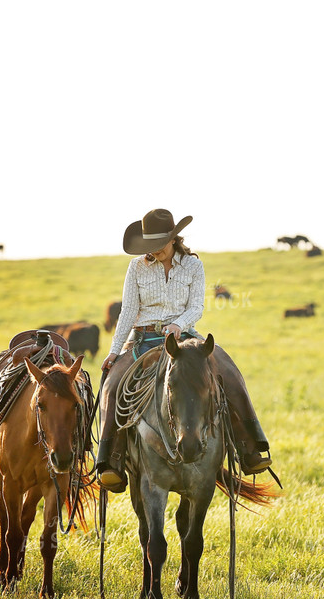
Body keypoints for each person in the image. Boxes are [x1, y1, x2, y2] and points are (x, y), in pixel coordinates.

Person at [96, 208, 273, 492]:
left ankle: (250, 447)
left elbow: (196, 307)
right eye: (149, 246)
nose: (154, 251)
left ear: (173, 238)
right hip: (142, 338)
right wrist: (115, 350)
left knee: (229, 372)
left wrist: (178, 325)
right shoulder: (137, 267)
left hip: (184, 337)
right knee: (113, 384)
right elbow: (129, 311)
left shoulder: (192, 265)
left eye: (159, 245)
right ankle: (110, 461)